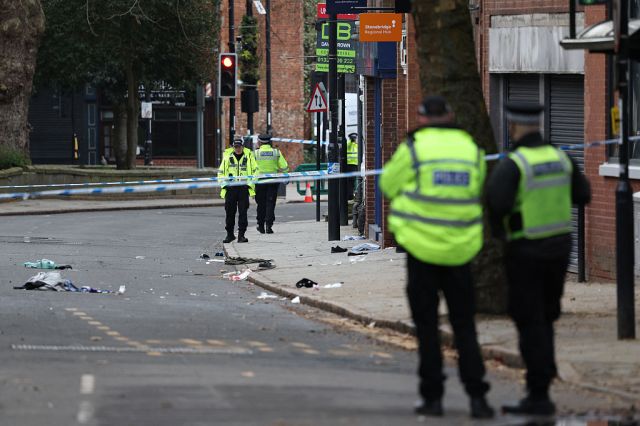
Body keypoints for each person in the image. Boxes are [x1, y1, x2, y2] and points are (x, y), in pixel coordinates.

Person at [380, 96, 494, 419]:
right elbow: (480, 189)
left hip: (422, 252)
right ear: (451, 115)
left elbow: (388, 184)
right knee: (464, 326)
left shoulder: (414, 149)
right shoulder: (471, 149)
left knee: (427, 328)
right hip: (461, 251)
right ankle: (478, 398)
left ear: (422, 118)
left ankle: (433, 398)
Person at [486, 102, 591, 415]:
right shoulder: (561, 158)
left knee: (529, 320)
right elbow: (583, 195)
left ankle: (538, 394)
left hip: (526, 252)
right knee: (546, 317)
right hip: (559, 250)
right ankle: (543, 379)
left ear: (514, 127)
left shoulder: (515, 164)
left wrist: (502, 233)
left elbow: (495, 203)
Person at [218, 138, 258, 244]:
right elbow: (221, 172)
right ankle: (230, 235)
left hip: (243, 188)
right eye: (235, 147)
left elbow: (256, 171)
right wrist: (224, 185)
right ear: (233, 147)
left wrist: (249, 184)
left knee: (243, 212)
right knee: (230, 213)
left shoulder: (249, 156)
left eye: (239, 147)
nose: (237, 149)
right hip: (231, 188)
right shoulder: (227, 156)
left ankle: (241, 235)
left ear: (243, 147)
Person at [253, 133, 289, 234]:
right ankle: (269, 226)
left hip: (260, 182)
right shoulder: (276, 152)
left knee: (261, 204)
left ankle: (260, 226)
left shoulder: (255, 153)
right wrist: (285, 175)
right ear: (269, 141)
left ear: (260, 142)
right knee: (270, 203)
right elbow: (285, 166)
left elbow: (250, 168)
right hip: (273, 182)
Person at [345, 133, 359, 200]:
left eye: (355, 138)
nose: (355, 139)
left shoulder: (356, 145)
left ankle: (351, 195)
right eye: (353, 138)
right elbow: (349, 145)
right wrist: (351, 140)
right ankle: (349, 196)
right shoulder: (349, 144)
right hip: (349, 165)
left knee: (352, 181)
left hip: (355, 165)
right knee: (350, 181)